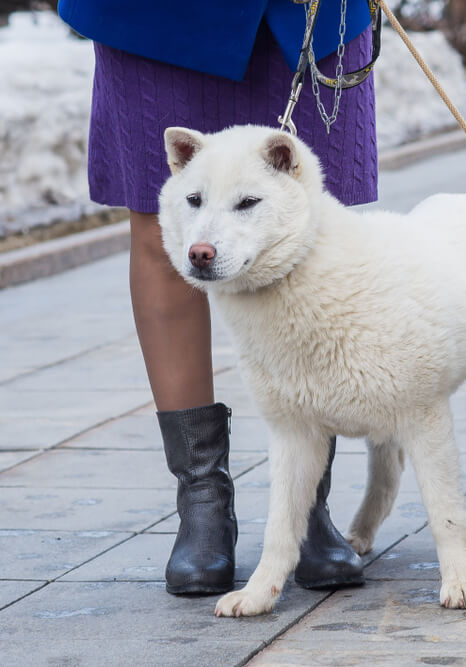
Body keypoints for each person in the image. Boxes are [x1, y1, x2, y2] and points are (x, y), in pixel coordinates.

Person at [56, 0, 377, 595]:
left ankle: (306, 503)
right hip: (158, 21)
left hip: (306, 17)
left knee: (306, 230)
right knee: (164, 231)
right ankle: (202, 498)